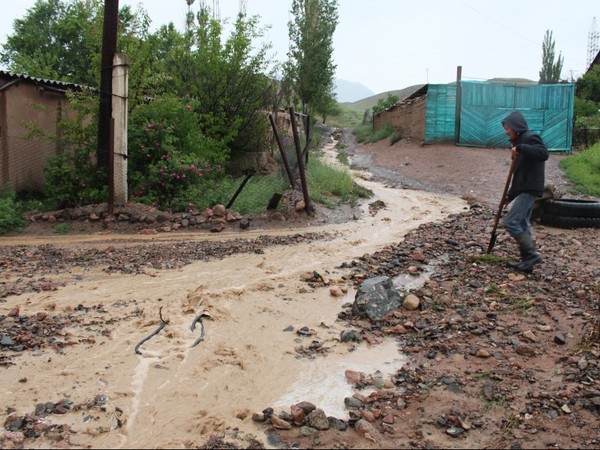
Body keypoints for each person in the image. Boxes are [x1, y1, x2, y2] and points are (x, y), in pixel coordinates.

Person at [501, 111, 549, 273]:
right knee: (523, 223)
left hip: (530, 188)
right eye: (505, 128)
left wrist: (521, 148)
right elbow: (519, 174)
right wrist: (510, 195)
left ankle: (531, 255)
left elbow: (543, 154)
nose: (506, 131)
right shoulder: (519, 142)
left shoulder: (529, 137)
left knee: (511, 222)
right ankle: (527, 261)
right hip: (526, 187)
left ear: (516, 126)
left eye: (508, 128)